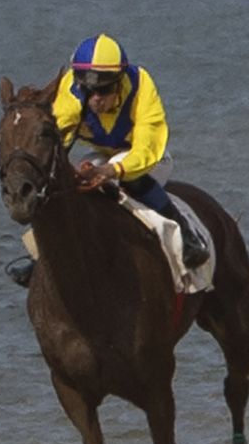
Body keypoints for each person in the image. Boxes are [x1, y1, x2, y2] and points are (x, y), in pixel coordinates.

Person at [53, 34, 210, 269]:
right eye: (89, 89)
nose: (96, 98)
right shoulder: (72, 90)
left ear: (118, 81)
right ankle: (41, 257)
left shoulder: (140, 86)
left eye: (104, 90)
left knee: (126, 180)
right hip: (103, 154)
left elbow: (147, 146)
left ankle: (187, 236)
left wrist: (112, 170)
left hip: (149, 160)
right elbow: (58, 138)